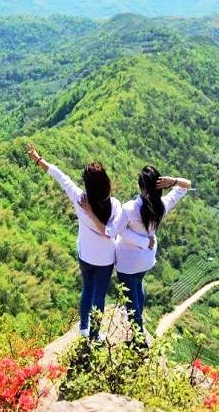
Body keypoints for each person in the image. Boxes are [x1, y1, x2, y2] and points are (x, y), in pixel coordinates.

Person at [26, 143, 150, 339]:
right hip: (105, 260)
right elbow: (111, 233)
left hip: (85, 255)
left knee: (87, 290)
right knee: (98, 296)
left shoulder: (80, 199)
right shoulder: (115, 205)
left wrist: (39, 160)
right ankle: (94, 334)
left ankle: (84, 327)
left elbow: (61, 177)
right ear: (106, 182)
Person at [81, 165, 190, 335]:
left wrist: (90, 212)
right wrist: (173, 181)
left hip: (127, 263)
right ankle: (139, 322)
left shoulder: (129, 208)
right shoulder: (162, 205)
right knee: (139, 285)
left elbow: (111, 231)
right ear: (160, 186)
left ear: (141, 187)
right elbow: (185, 185)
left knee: (131, 301)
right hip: (146, 259)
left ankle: (138, 336)